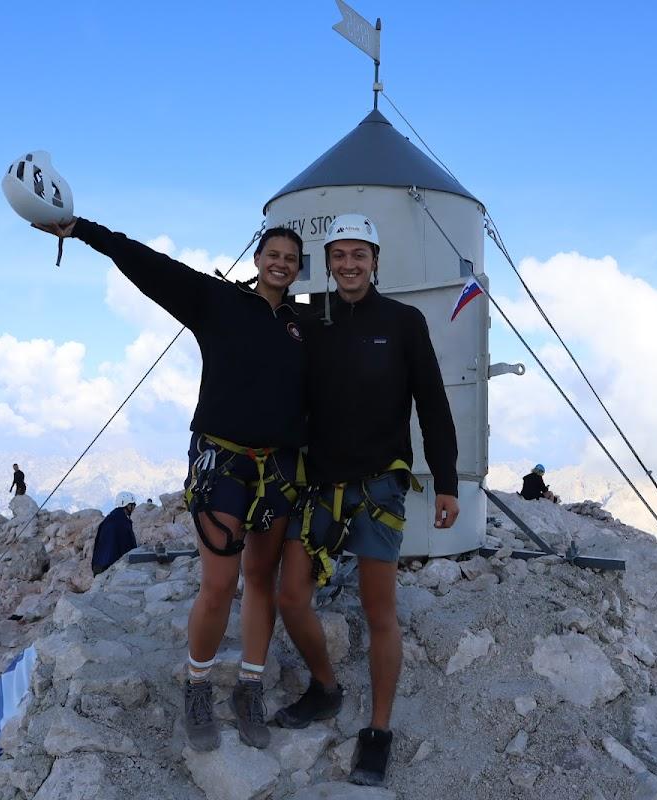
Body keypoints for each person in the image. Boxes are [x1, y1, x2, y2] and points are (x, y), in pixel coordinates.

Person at [34, 217, 308, 752]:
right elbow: (150, 267)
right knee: (219, 584)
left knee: (260, 578)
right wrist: (83, 229)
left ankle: (249, 688)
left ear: (299, 269)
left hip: (277, 468)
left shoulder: (301, 328)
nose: (280, 263)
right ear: (257, 259)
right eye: (272, 254)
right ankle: (198, 685)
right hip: (222, 463)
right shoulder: (216, 301)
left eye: (291, 258)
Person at [276, 214, 459, 787]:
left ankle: (377, 732)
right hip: (320, 484)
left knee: (381, 612)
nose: (349, 265)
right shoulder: (308, 319)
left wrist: (447, 481)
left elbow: (432, 402)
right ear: (327, 263)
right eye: (339, 256)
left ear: (376, 261)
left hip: (379, 485)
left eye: (359, 255)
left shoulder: (403, 322)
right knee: (290, 598)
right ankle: (327, 688)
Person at [92, 492, 139, 575]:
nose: (134, 508)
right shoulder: (123, 522)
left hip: (98, 564)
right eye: (132, 505)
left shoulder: (110, 518)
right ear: (126, 505)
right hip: (108, 567)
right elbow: (128, 546)